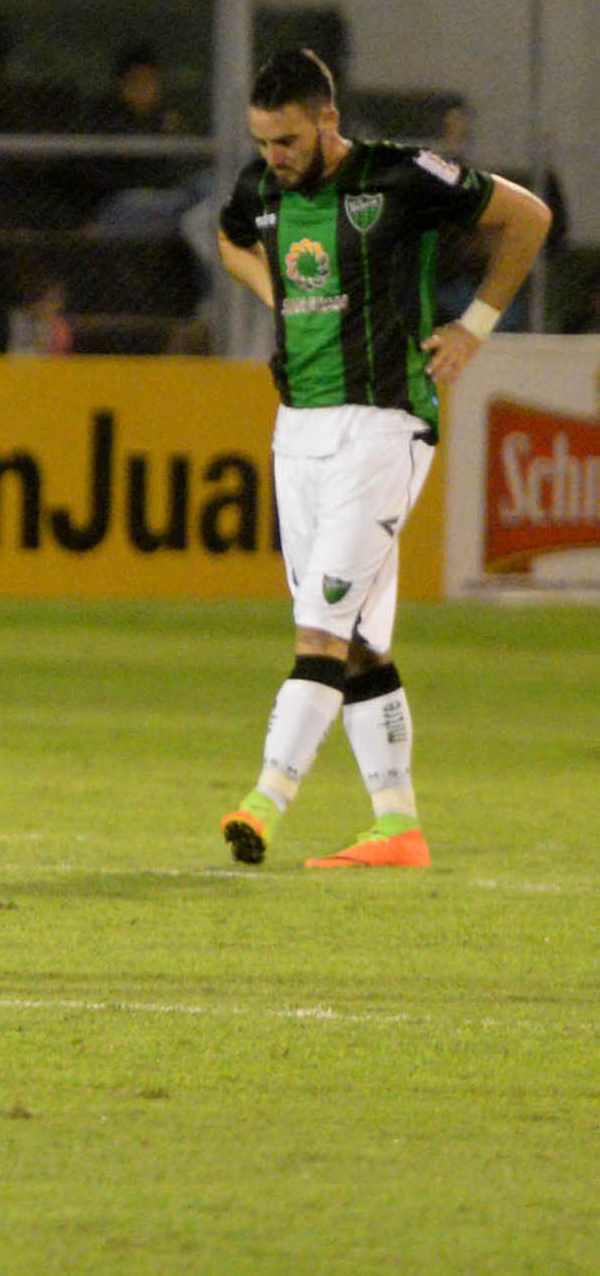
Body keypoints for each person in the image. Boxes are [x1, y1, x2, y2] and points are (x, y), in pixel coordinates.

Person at [214, 48, 551, 870]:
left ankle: (265, 800)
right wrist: (279, 296)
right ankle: (396, 826)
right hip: (296, 429)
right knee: (360, 639)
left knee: (320, 629)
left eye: (289, 140)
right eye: (263, 142)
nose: (275, 158)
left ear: (327, 120)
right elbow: (232, 240)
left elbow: (528, 218)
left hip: (383, 425)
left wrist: (474, 324)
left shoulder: (400, 178)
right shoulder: (261, 190)